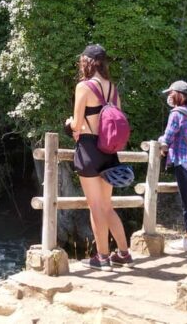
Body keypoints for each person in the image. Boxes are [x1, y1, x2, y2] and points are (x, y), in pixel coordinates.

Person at [65, 44, 132, 270]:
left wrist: (70, 125)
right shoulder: (113, 88)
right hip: (110, 151)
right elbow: (117, 120)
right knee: (106, 206)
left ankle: (101, 257)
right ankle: (123, 253)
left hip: (89, 149)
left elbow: (76, 123)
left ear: (87, 62)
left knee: (95, 207)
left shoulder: (83, 87)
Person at [158, 80, 187, 251]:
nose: (168, 96)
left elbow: (167, 138)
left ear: (177, 95)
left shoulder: (176, 114)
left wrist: (159, 142)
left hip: (183, 161)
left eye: (170, 93)